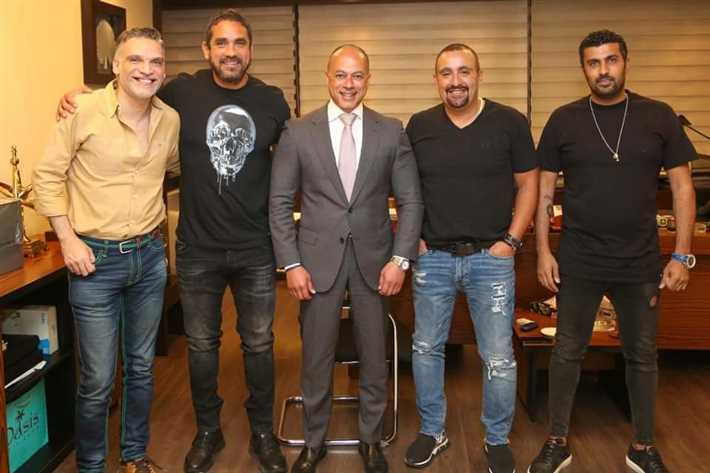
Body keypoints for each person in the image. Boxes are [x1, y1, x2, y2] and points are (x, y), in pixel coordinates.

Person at [58, 10, 291, 473]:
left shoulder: (272, 101)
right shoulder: (179, 92)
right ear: (206, 50)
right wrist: (79, 96)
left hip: (255, 247)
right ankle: (208, 430)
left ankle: (263, 431)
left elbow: (297, 160)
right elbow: (128, 94)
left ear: (250, 50)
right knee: (201, 345)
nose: (230, 52)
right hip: (197, 248)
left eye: (239, 43)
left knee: (259, 343)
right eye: (221, 43)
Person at [528, 30, 697, 473]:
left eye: (611, 60)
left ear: (625, 62)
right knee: (567, 351)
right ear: (583, 68)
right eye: (593, 63)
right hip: (579, 259)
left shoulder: (658, 116)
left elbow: (682, 188)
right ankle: (557, 442)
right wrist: (543, 252)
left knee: (642, 355)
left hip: (639, 261)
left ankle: (643, 446)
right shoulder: (563, 120)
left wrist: (681, 255)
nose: (603, 71)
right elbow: (543, 193)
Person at [269, 45, 423, 473]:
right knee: (316, 357)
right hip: (315, 263)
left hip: (377, 263)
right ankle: (314, 442)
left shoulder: (391, 131)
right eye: (341, 75)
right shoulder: (298, 132)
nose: (349, 84)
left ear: (368, 79)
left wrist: (400, 260)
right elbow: (279, 202)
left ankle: (371, 440)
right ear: (327, 77)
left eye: (357, 76)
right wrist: (291, 263)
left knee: (374, 355)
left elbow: (411, 201)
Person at [34, 28, 179, 473]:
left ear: (164, 71)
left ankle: (134, 456)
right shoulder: (83, 110)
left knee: (141, 368)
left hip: (149, 256)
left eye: (155, 62)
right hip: (94, 261)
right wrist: (68, 238)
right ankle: (92, 466)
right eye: (135, 60)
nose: (146, 70)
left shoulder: (170, 120)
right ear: (116, 66)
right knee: (97, 379)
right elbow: (46, 176)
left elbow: (175, 167)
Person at [403, 44, 538, 473]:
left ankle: (496, 439)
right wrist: (414, 239)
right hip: (433, 259)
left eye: (464, 71)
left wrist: (511, 241)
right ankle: (432, 431)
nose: (455, 81)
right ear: (435, 79)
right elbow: (406, 188)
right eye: (446, 73)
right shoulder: (419, 125)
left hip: (490, 260)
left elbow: (529, 184)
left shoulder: (510, 122)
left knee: (497, 356)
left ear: (479, 75)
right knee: (426, 348)